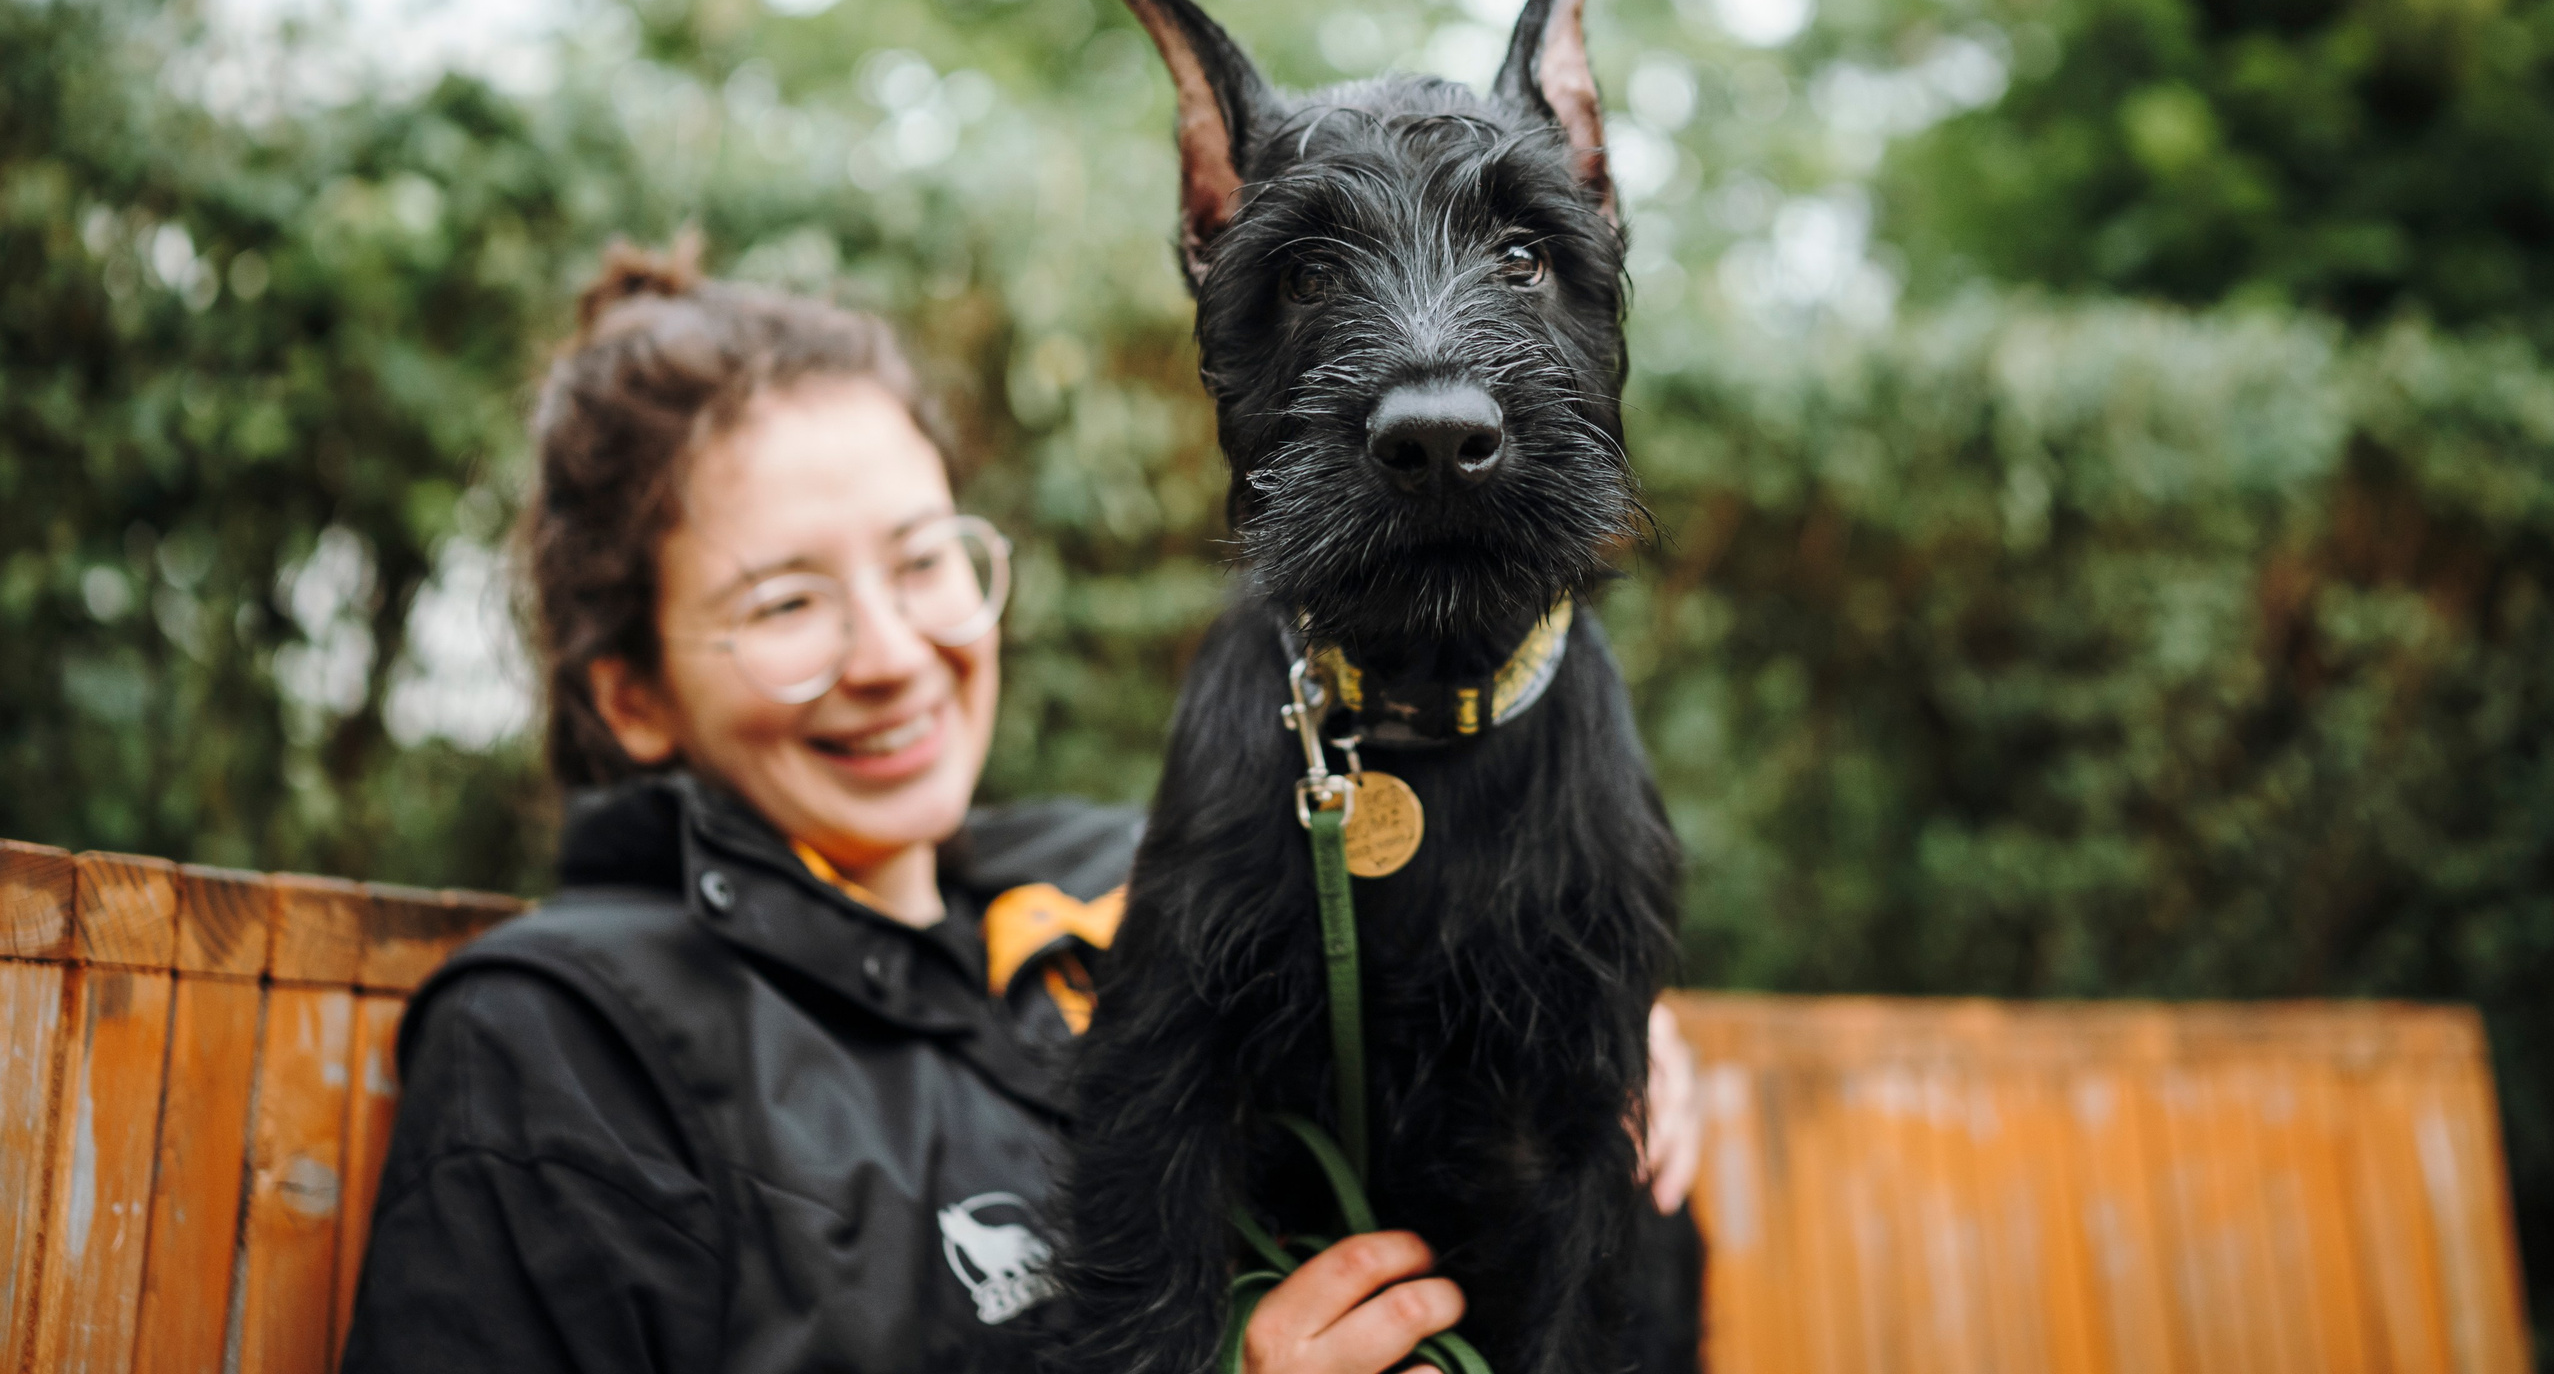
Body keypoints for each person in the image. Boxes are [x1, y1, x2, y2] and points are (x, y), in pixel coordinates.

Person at [340, 239, 1700, 1374]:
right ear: (630, 692)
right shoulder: (561, 1042)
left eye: (924, 562)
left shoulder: (1142, 877)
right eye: (787, 602)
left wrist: (1597, 1010)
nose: (889, 653)